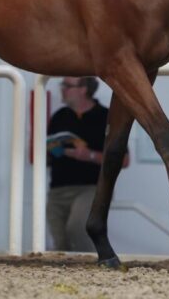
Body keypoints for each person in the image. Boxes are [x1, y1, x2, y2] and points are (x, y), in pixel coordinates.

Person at [46, 76, 129, 252]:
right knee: (60, 244)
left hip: (91, 188)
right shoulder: (59, 117)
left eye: (67, 86)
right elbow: (48, 150)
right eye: (63, 85)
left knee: (77, 228)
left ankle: (93, 269)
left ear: (84, 89)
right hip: (57, 190)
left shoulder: (106, 117)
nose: (63, 89)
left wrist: (89, 155)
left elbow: (124, 160)